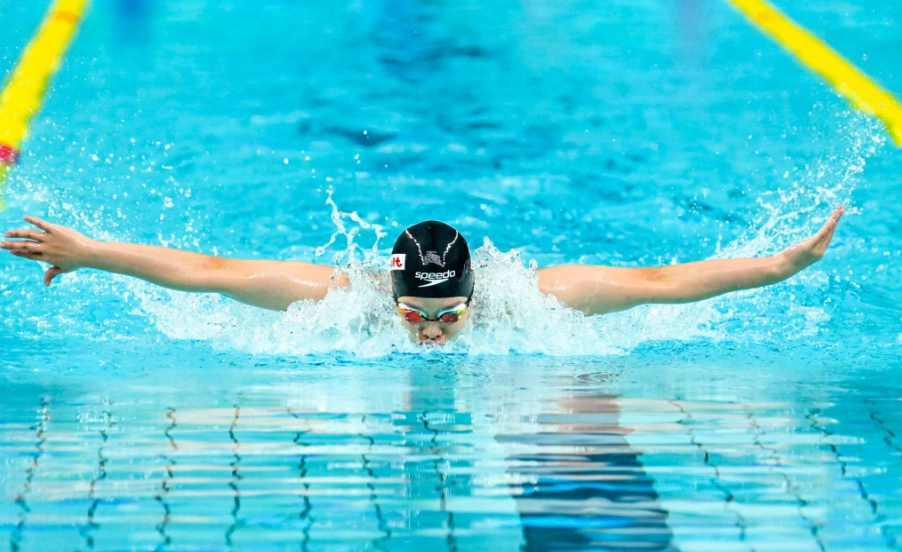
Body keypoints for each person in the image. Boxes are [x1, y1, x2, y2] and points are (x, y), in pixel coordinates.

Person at [1, 206, 845, 345]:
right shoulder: (347, 302)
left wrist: (785, 264)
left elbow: (663, 283)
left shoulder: (532, 301)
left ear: (475, 294)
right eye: (415, 314)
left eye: (447, 313)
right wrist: (92, 252)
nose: (432, 329)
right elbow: (213, 273)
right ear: (391, 292)